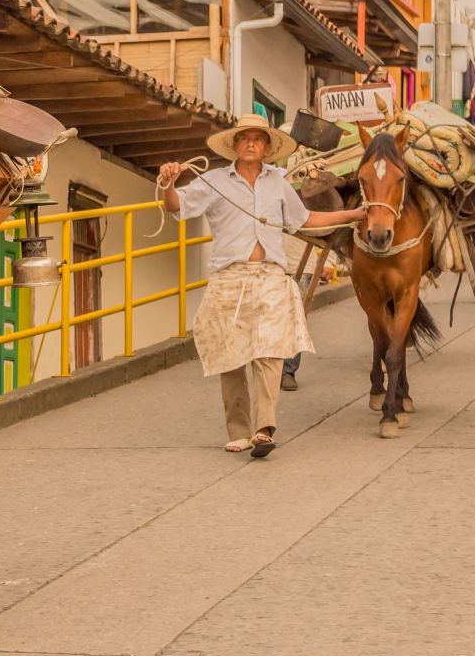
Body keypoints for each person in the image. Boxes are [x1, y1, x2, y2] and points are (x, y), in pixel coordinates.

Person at [158, 115, 369, 457]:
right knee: (231, 357)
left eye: (258, 138)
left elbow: (304, 219)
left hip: (270, 276)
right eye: (245, 138)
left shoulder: (279, 183)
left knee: (270, 350)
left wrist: (352, 215)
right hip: (230, 279)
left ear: (268, 147)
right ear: (235, 145)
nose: (251, 143)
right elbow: (177, 207)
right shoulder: (213, 181)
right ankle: (239, 431)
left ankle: (264, 428)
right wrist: (168, 184)